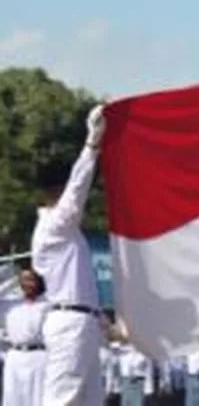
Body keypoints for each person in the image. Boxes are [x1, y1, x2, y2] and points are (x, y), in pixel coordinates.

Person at [31, 104, 106, 406]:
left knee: (89, 400)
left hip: (83, 321)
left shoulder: (66, 230)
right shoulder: (55, 225)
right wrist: (92, 146)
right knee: (61, 400)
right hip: (69, 322)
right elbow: (77, 191)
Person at [0, 266, 49, 406]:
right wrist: (13, 280)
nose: (27, 284)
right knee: (13, 398)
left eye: (31, 279)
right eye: (23, 280)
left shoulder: (47, 304)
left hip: (39, 357)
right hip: (15, 357)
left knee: (38, 399)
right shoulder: (10, 305)